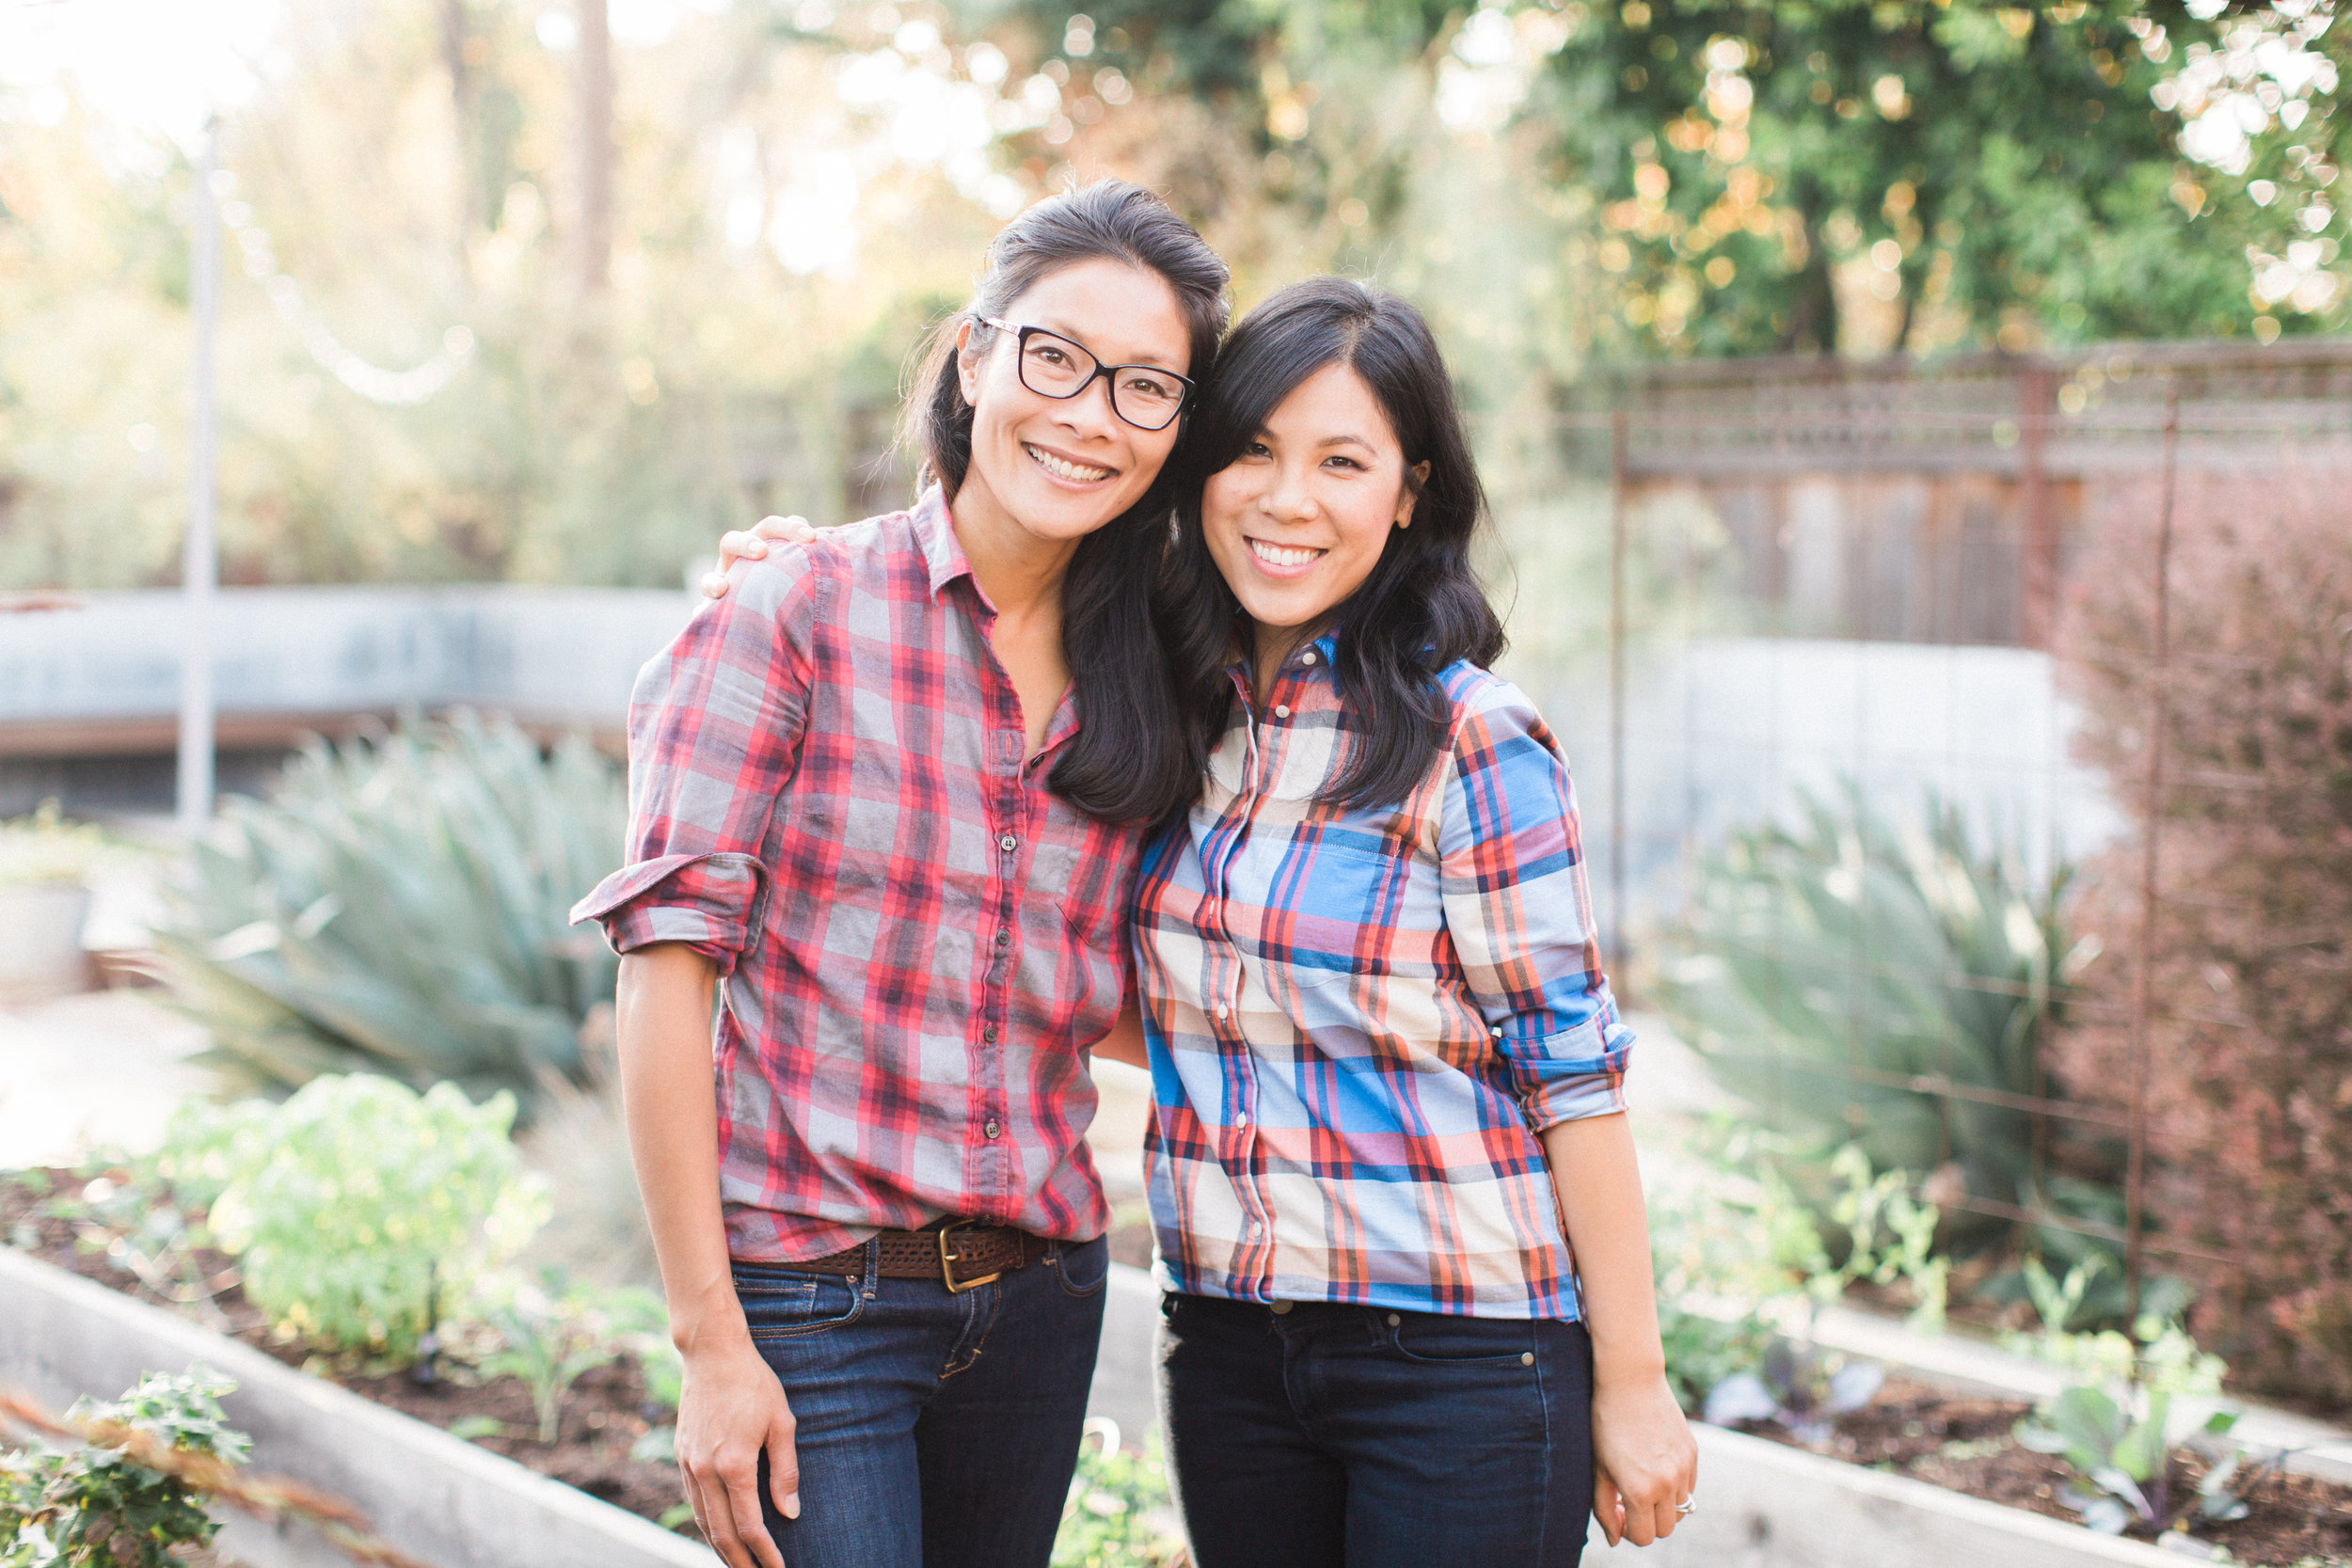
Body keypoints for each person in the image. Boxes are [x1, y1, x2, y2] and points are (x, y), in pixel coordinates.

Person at [715, 277, 1697, 1565]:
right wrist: (821, 570)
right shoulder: (1172, 715)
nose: (1288, 501)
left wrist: (1632, 1380)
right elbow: (1152, 1001)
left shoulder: (1472, 741)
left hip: (1461, 1353)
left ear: (1409, 494)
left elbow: (1572, 1073)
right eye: (1251, 452)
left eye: (1343, 462)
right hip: (1231, 1345)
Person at [571, 179, 1228, 1568]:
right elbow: (667, 979)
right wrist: (708, 1340)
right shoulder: (793, 612)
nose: (1091, 412)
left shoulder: (1158, 676)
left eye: (1147, 388)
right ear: (976, 356)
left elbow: (1092, 994)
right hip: (815, 1304)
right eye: (1056, 357)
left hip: (1044, 1301)